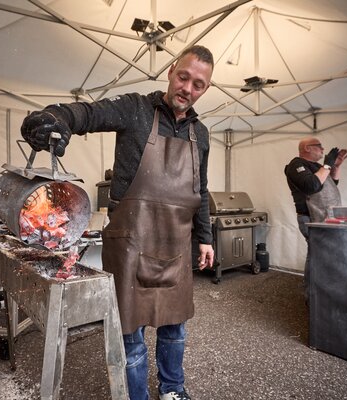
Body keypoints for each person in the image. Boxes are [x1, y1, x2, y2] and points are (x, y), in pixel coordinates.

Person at [20, 45, 215, 400]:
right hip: (130, 244)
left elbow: (200, 189)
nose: (188, 88)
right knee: (131, 333)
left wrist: (205, 238)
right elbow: (89, 114)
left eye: (198, 84)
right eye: (184, 77)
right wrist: (57, 117)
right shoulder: (136, 109)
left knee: (175, 329)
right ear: (171, 71)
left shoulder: (199, 135)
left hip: (176, 245)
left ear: (205, 89)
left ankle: (173, 389)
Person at [284, 136, 347, 299]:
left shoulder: (318, 167)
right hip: (311, 218)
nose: (322, 149)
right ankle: (312, 299)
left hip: (325, 218)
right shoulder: (296, 164)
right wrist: (327, 163)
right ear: (307, 148)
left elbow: (331, 185)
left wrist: (336, 166)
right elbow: (312, 186)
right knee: (316, 256)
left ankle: (322, 296)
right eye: (319, 146)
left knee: (321, 255)